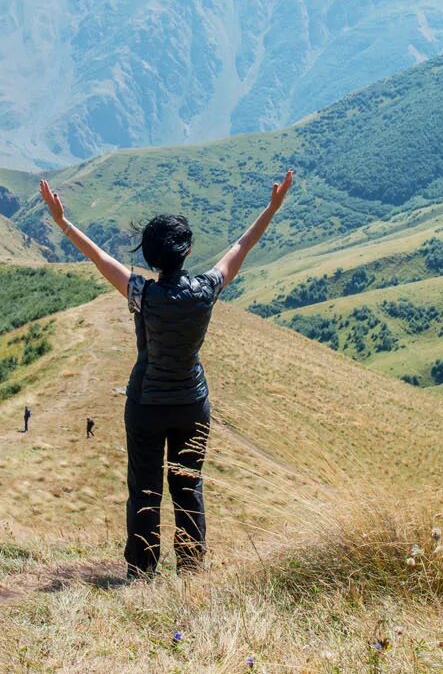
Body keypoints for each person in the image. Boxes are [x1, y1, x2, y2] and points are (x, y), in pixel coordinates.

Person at [38, 169, 293, 578]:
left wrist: (62, 222)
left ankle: (141, 572)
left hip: (146, 405)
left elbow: (100, 258)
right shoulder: (206, 290)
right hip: (192, 403)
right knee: (188, 486)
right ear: (187, 252)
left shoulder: (142, 294)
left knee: (145, 488)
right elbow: (241, 246)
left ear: (152, 257)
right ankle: (191, 570)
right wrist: (272, 207)